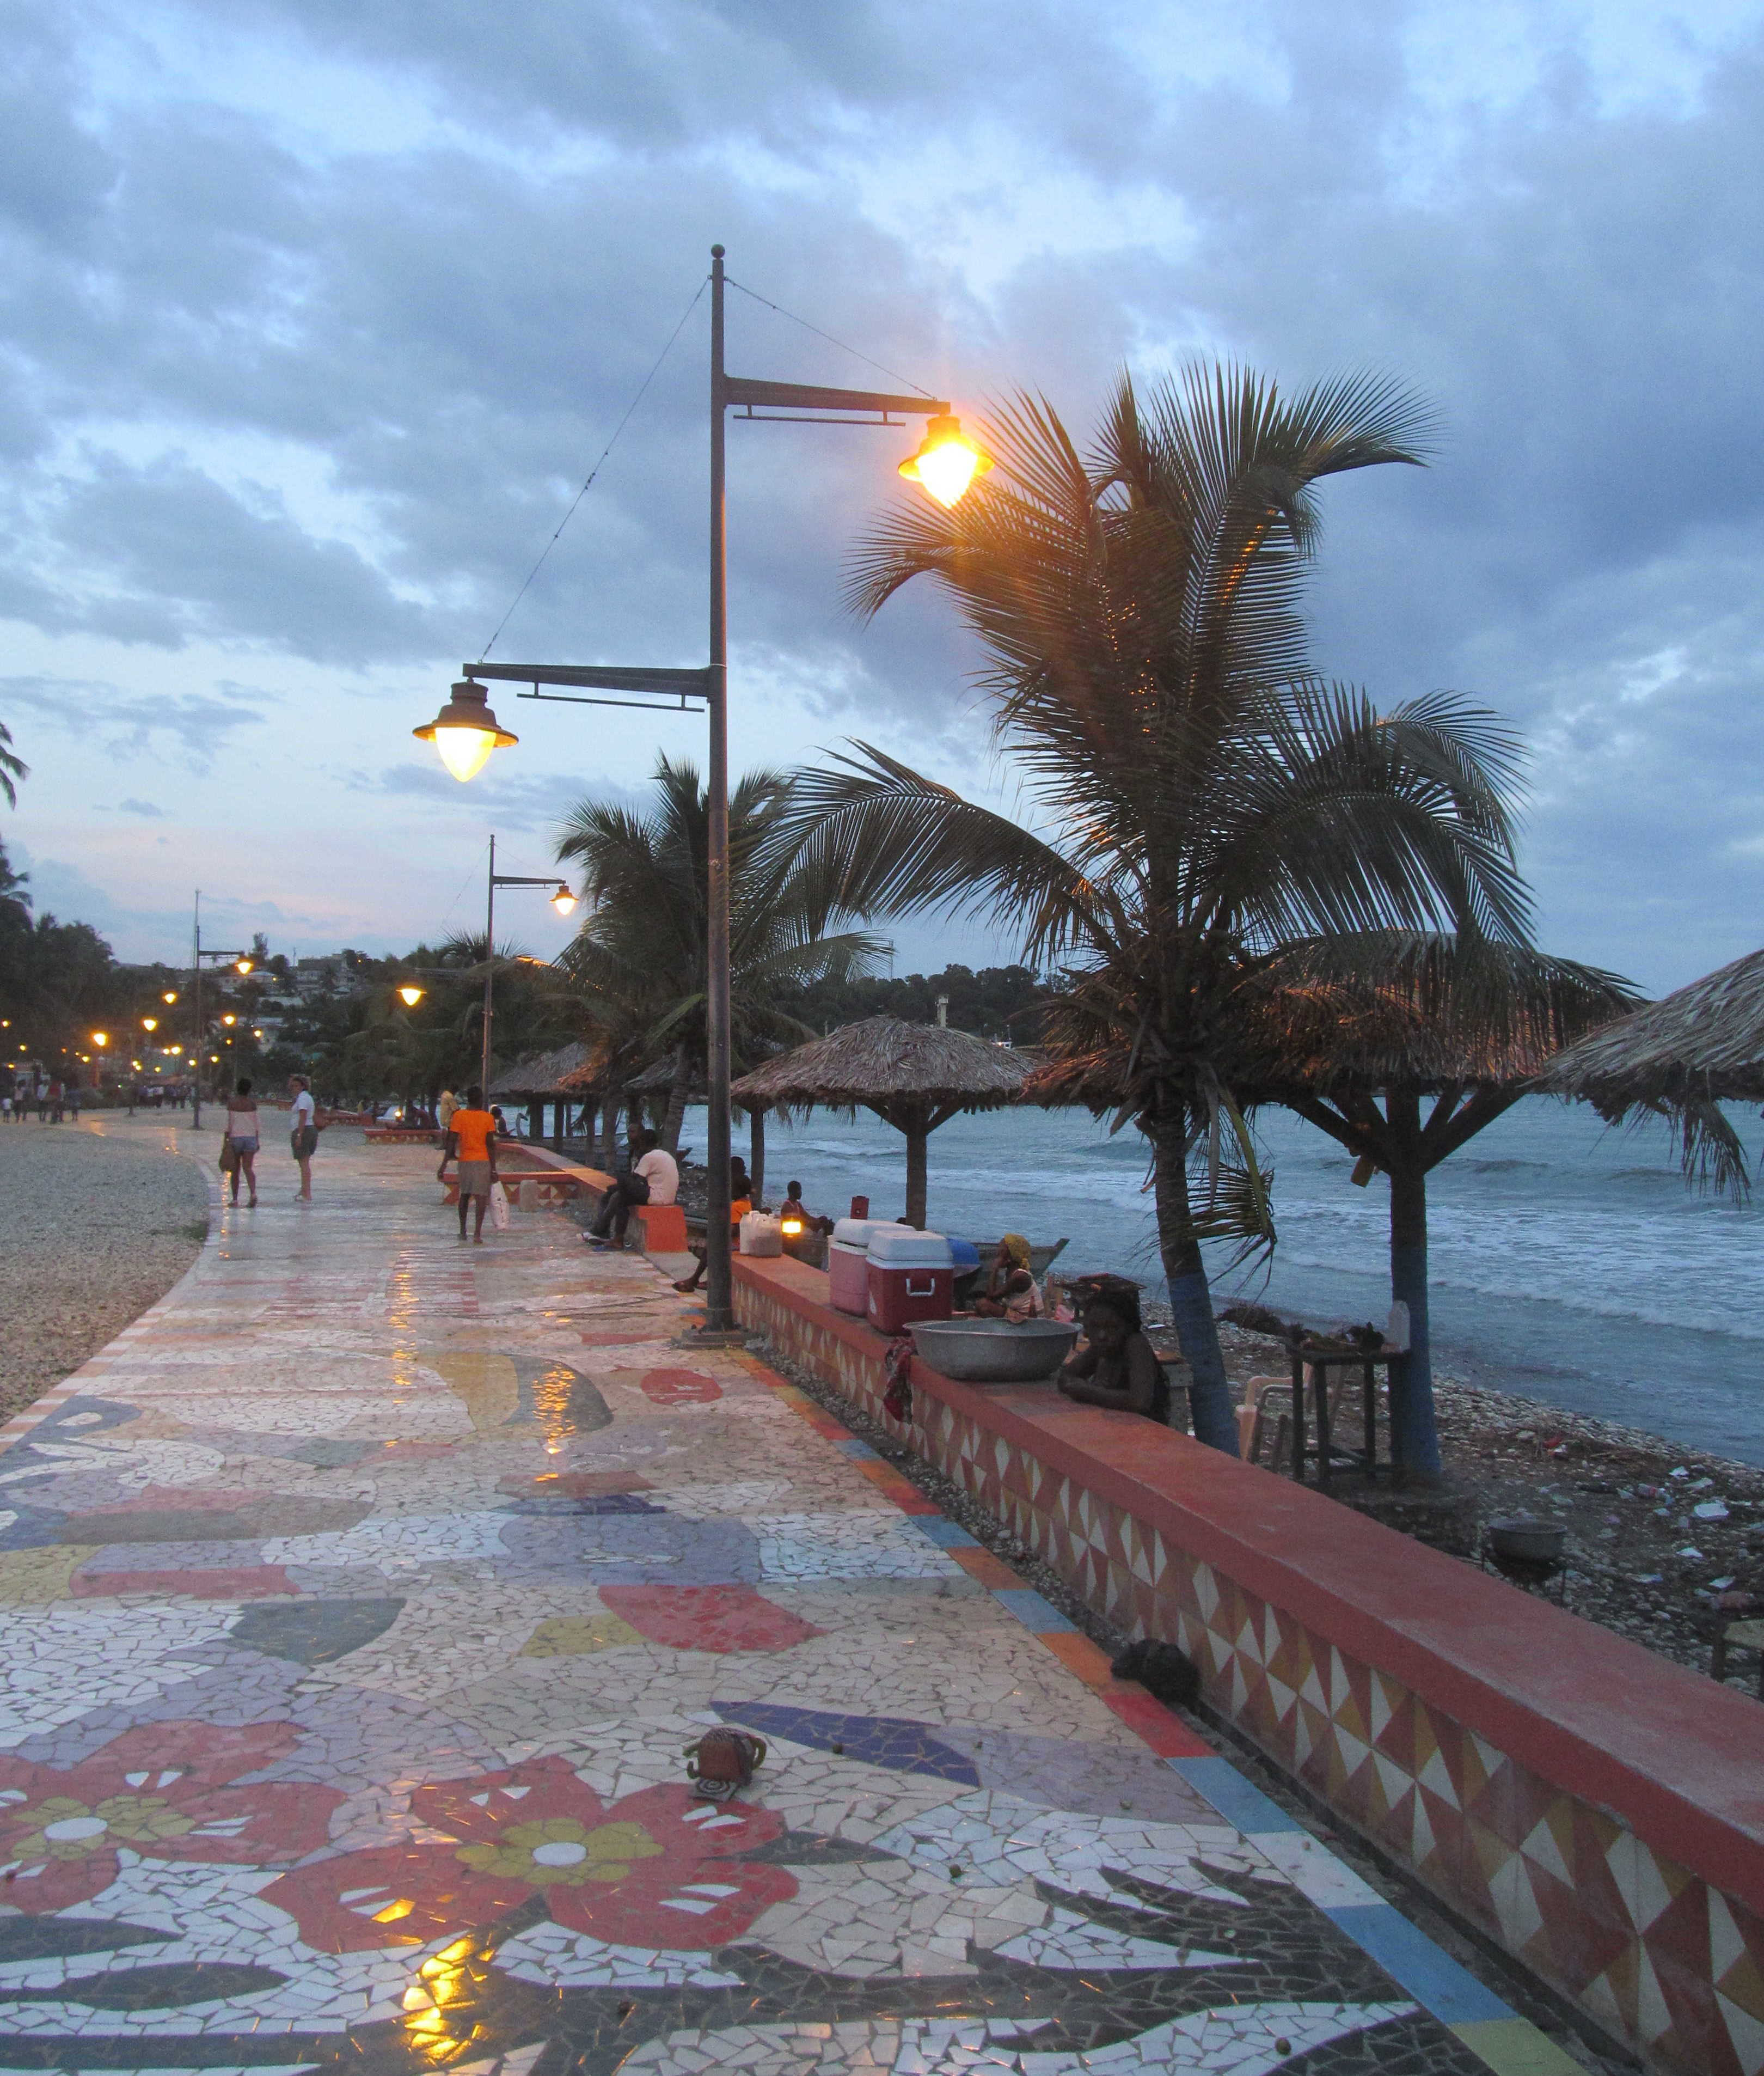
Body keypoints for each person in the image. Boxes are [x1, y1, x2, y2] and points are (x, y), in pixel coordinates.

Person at [1056, 1284, 1170, 1424]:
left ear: (1127, 1327)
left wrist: (1087, 1391)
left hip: (1144, 1429)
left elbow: (1140, 1402)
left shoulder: (1135, 1344)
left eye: (1112, 1327)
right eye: (1095, 1327)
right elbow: (1066, 1377)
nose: (1102, 1335)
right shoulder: (1102, 1346)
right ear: (1086, 1329)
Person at [672, 1155, 753, 1292]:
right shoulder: (746, 1203)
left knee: (712, 1248)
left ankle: (698, 1279)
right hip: (742, 1243)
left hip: (737, 1245)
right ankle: (699, 1279)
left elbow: (733, 1230)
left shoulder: (735, 1207)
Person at [591, 1128, 677, 1248]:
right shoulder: (665, 1155)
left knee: (622, 1185)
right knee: (621, 1197)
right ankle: (613, 1236)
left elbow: (635, 1180)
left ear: (642, 1143)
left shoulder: (649, 1157)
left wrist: (616, 1187)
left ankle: (607, 1232)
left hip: (656, 1196)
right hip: (667, 1197)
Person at [439, 1083, 500, 1243]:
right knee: (481, 1198)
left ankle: (463, 1231)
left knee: (465, 1196)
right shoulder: (488, 1118)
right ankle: (477, 1234)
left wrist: (444, 1165)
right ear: (480, 1100)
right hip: (483, 1162)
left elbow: (451, 1142)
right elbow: (490, 1146)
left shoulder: (459, 1116)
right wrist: (494, 1169)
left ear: (468, 1100)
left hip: (465, 1161)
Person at [971, 1234, 1044, 1321]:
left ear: (1011, 1255)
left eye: (1002, 1250)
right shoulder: (1011, 1272)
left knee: (983, 1305)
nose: (998, 1253)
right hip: (1018, 1313)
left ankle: (998, 1329)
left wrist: (995, 1268)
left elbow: (991, 1296)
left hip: (1029, 1319)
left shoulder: (1020, 1276)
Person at [223, 1077, 261, 1208]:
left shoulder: (232, 1103)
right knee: (248, 1168)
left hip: (236, 1138)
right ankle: (253, 1194)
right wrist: (257, 1140)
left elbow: (229, 1124)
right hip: (250, 1138)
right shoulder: (252, 1104)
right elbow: (256, 1124)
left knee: (235, 1170)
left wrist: (226, 1142)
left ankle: (235, 1199)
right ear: (249, 1089)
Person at [289, 1074, 319, 1200]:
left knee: (304, 1164)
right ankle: (304, 1190)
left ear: (303, 1086)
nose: (294, 1089)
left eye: (297, 1086)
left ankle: (307, 1193)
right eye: (293, 1086)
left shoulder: (302, 1098)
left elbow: (303, 1116)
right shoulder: (305, 1098)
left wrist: (299, 1135)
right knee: (304, 1163)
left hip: (304, 1131)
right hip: (308, 1130)